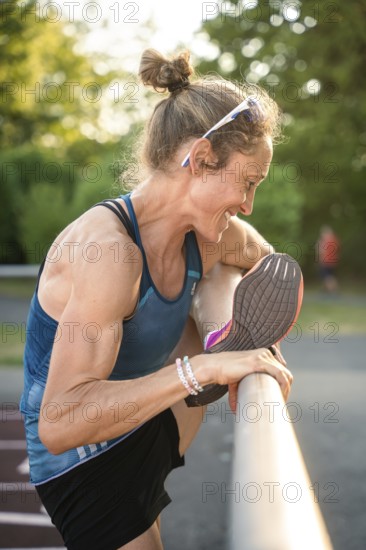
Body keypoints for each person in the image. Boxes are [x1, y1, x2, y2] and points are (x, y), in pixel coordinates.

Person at [20, 49, 303, 549]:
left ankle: (217, 338)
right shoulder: (109, 251)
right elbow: (59, 424)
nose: (249, 204)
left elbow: (270, 268)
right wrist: (205, 370)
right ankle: (213, 354)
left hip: (150, 417)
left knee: (220, 273)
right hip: (84, 458)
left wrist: (223, 322)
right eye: (247, 182)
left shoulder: (210, 235)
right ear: (198, 159)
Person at [317, 225, 340, 293]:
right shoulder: (335, 239)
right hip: (333, 261)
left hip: (326, 261)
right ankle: (326, 290)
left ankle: (332, 291)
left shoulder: (325, 241)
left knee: (327, 277)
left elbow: (321, 251)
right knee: (330, 276)